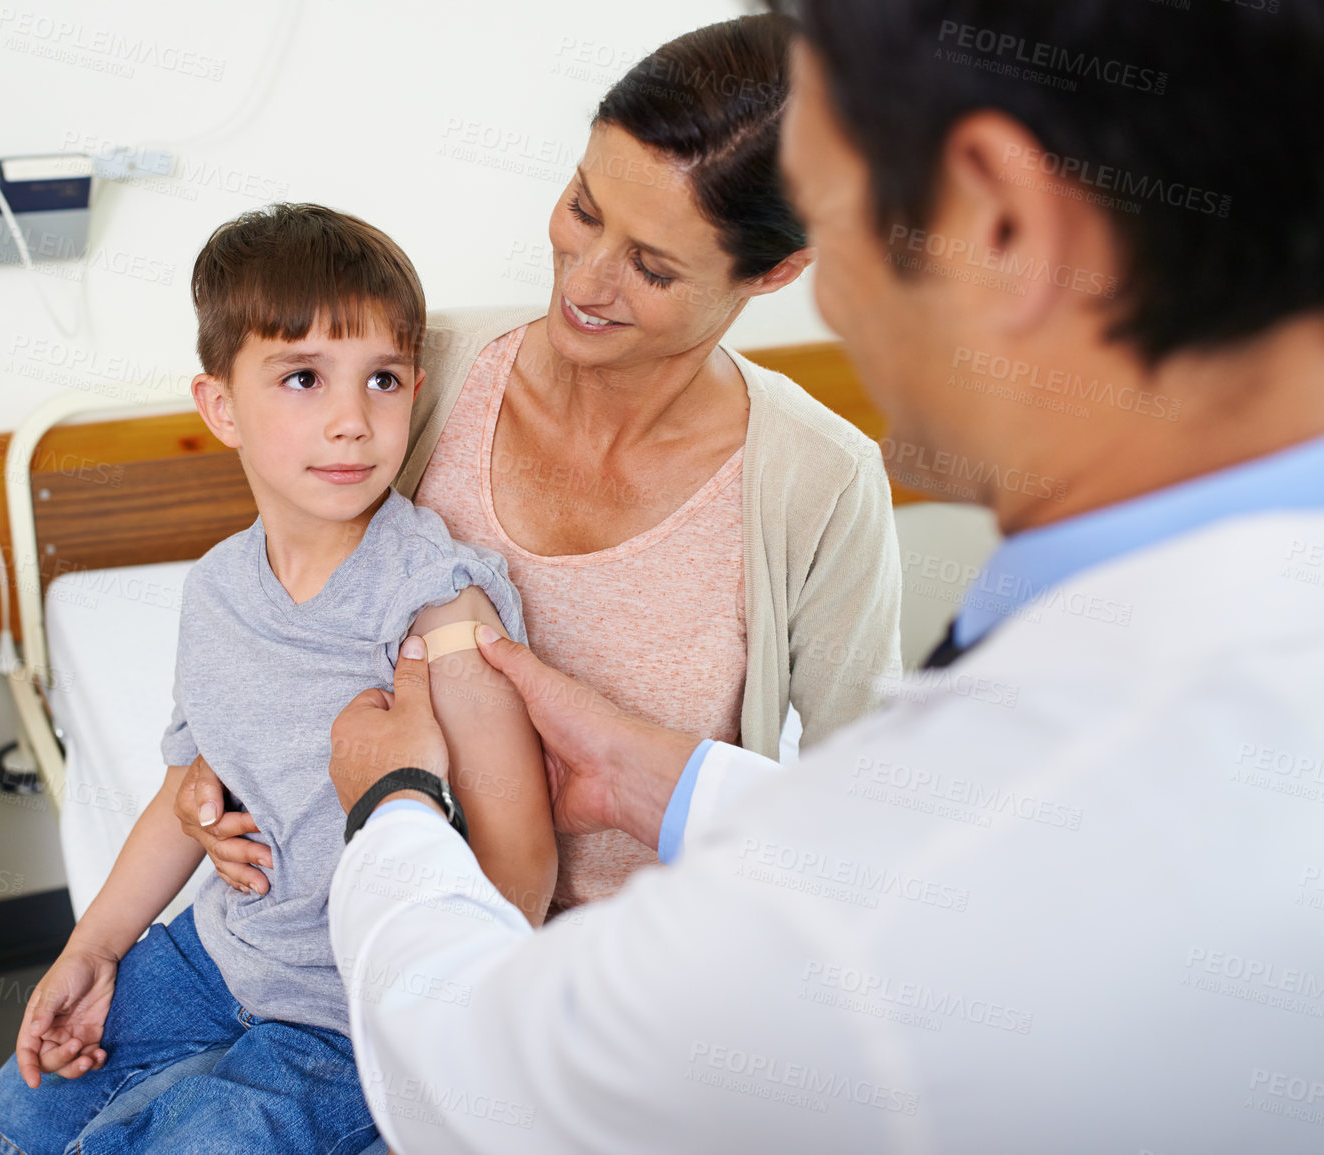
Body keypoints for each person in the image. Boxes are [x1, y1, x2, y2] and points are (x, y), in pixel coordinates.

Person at [324, 1, 1324, 1151]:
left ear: (1000, 225)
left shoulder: (879, 894)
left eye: (844, 231)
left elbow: (486, 1090)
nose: (837, 309)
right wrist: (680, 782)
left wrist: (391, 808)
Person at [179, 12, 902, 916]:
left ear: (774, 272)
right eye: (583, 208)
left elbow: (862, 815)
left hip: (641, 984)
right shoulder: (412, 378)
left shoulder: (818, 480)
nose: (585, 280)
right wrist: (220, 772)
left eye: (651, 266)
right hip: (374, 947)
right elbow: (290, 606)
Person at [0, 204, 556, 1155]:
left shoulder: (434, 604)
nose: (351, 421)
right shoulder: (216, 589)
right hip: (225, 953)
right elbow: (186, 786)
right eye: (301, 378)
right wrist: (93, 947)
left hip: (353, 1004)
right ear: (219, 407)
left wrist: (434, 1030)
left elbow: (522, 867)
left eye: (383, 379)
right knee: (23, 1111)